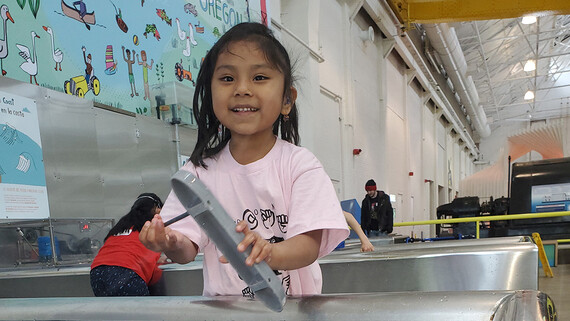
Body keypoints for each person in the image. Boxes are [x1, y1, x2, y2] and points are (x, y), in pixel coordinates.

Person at [139, 22, 349, 298]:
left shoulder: (300, 165)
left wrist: (270, 252)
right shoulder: (199, 172)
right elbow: (186, 249)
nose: (242, 89)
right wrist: (168, 241)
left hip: (293, 313)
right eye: (227, 79)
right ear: (211, 92)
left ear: (287, 100)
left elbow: (308, 245)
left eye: (259, 77)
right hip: (228, 315)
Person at [90, 193, 165, 296]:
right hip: (126, 273)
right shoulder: (149, 229)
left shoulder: (121, 227)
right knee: (141, 311)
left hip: (97, 273)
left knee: (111, 311)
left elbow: (127, 250)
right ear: (157, 210)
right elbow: (155, 272)